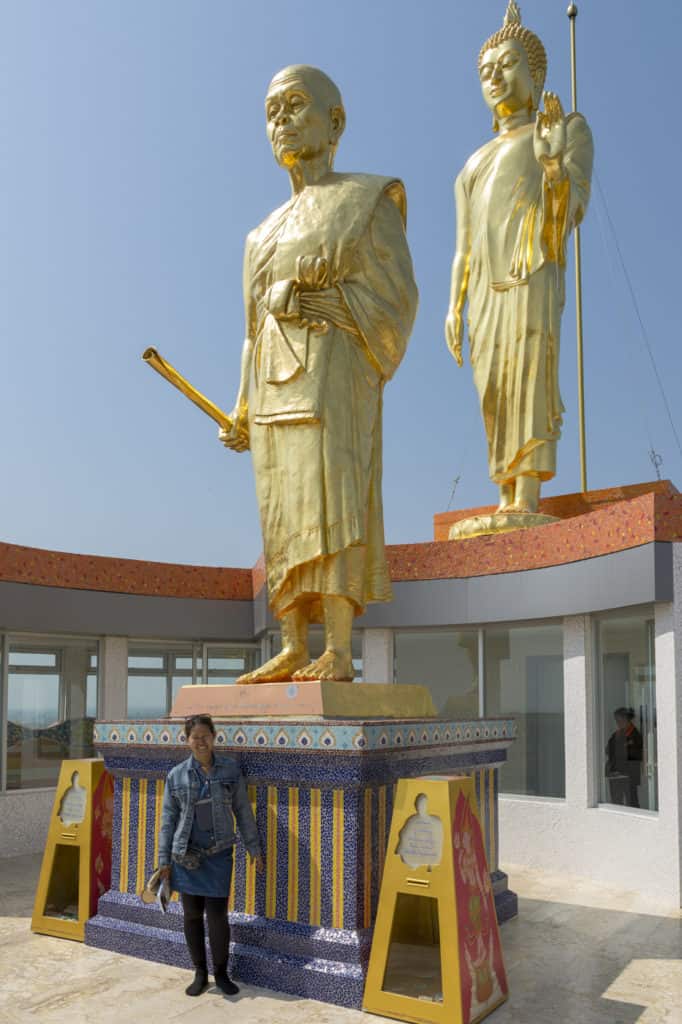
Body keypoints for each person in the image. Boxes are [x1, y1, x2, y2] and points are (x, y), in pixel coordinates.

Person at [220, 64, 417, 684]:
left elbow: (396, 299)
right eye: (271, 111)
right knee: (282, 508)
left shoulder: (365, 199)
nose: (280, 119)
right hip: (273, 386)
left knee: (333, 500)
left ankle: (337, 646)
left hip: (334, 377)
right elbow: (252, 331)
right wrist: (241, 407)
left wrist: (319, 302)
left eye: (295, 105)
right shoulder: (258, 236)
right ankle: (292, 643)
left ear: (335, 122)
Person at [445, 1, 593, 515]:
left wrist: (552, 165)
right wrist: (453, 304)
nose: (495, 77)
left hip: (531, 272)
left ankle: (527, 494)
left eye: (507, 66)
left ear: (535, 74)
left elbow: (569, 212)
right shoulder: (471, 165)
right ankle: (504, 491)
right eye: (485, 71)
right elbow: (463, 244)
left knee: (529, 373)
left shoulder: (564, 129)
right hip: (486, 290)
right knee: (494, 387)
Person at [158, 714, 263, 997]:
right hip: (186, 857)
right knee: (191, 914)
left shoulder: (229, 770)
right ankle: (199, 973)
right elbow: (168, 820)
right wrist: (163, 862)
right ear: (187, 740)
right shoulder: (176, 775)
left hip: (218, 855)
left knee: (217, 916)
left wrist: (254, 848)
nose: (200, 741)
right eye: (195, 737)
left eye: (205, 736)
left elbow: (242, 810)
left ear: (214, 737)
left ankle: (221, 973)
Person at [605, 707, 643, 808]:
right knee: (617, 804)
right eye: (616, 720)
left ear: (626, 719)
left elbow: (634, 757)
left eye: (619, 720)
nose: (617, 723)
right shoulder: (617, 734)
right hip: (616, 775)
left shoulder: (635, 735)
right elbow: (607, 750)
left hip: (627, 776)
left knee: (632, 804)